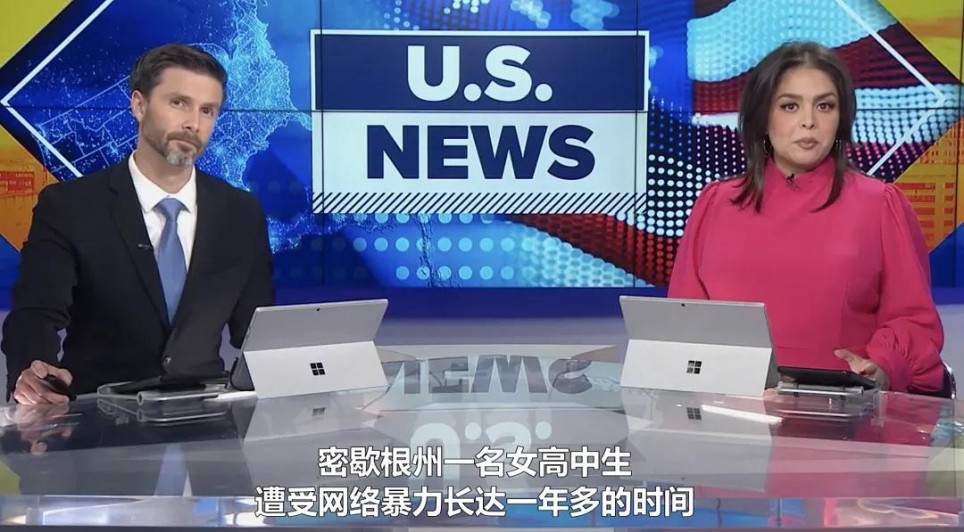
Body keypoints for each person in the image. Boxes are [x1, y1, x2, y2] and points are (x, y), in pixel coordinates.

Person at [1, 43, 275, 404]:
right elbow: (35, 314)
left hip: (205, 417)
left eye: (207, 110)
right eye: (178, 103)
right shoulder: (70, 206)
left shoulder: (241, 213)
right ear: (138, 104)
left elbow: (256, 331)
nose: (193, 123)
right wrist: (34, 371)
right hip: (99, 417)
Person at [667, 41, 945, 394]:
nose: (809, 121)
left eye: (825, 106)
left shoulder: (879, 205)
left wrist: (883, 366)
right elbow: (683, 323)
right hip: (729, 411)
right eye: (790, 106)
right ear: (762, 115)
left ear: (841, 118)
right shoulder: (716, 204)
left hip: (841, 413)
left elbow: (913, 321)